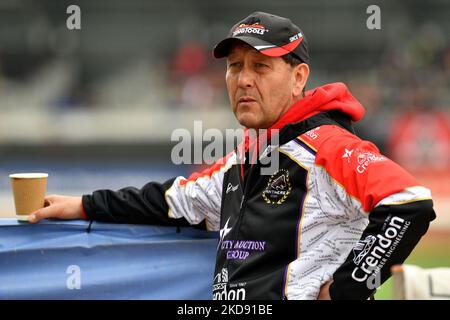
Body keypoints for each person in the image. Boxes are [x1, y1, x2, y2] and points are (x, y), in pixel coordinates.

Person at [28, 12, 436, 300]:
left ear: (298, 78)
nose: (243, 80)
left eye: (260, 67)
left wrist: (348, 288)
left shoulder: (328, 146)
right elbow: (170, 201)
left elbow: (409, 203)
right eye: (235, 66)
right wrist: (82, 204)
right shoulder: (242, 161)